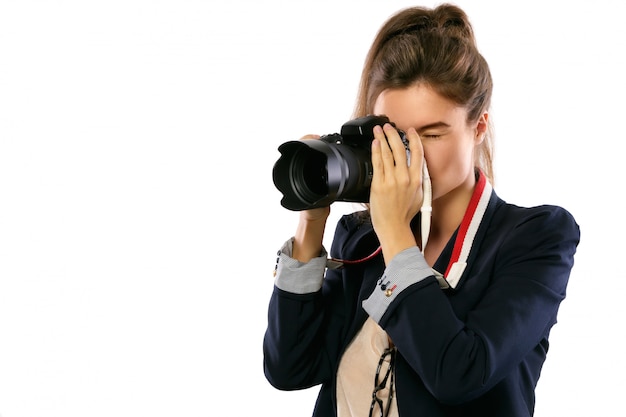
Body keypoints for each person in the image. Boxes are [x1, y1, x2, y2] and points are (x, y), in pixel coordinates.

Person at [263, 3, 580, 417]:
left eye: (431, 134)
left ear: (479, 127)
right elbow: (290, 368)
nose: (409, 155)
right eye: (393, 136)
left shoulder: (536, 237)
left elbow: (460, 372)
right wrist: (311, 223)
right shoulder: (361, 238)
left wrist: (397, 235)